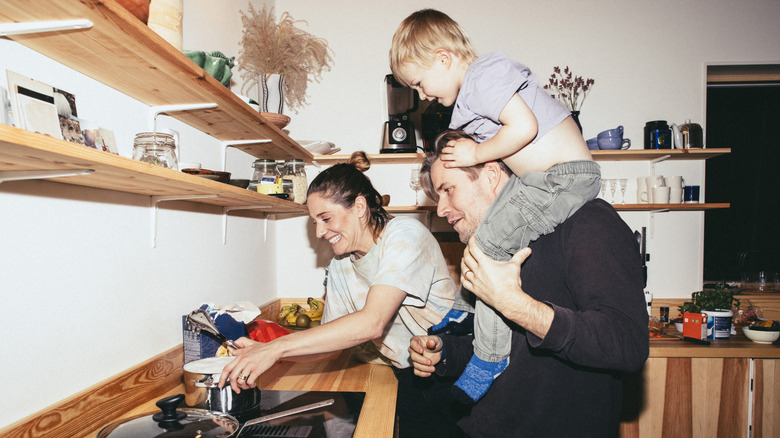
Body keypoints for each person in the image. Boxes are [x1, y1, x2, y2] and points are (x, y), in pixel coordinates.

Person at [390, 9, 601, 403]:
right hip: (543, 179)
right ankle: (465, 312)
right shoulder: (472, 96)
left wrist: (476, 152)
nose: (421, 96)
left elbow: (525, 128)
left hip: (564, 176)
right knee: (483, 246)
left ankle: (489, 357)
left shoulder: (482, 78)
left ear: (442, 58)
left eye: (419, 83)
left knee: (486, 249)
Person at [407, 131, 649, 437]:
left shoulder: (588, 221)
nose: (441, 209)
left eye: (448, 190)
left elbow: (627, 344)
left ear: (491, 175)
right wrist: (444, 353)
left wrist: (516, 304)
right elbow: (503, 349)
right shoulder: (489, 249)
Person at [218, 151, 465, 438]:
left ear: (359, 207)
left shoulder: (405, 235)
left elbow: (372, 322)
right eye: (314, 222)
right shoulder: (340, 266)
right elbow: (331, 346)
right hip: (409, 373)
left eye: (325, 218)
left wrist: (276, 349)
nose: (320, 232)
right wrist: (270, 353)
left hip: (451, 369)